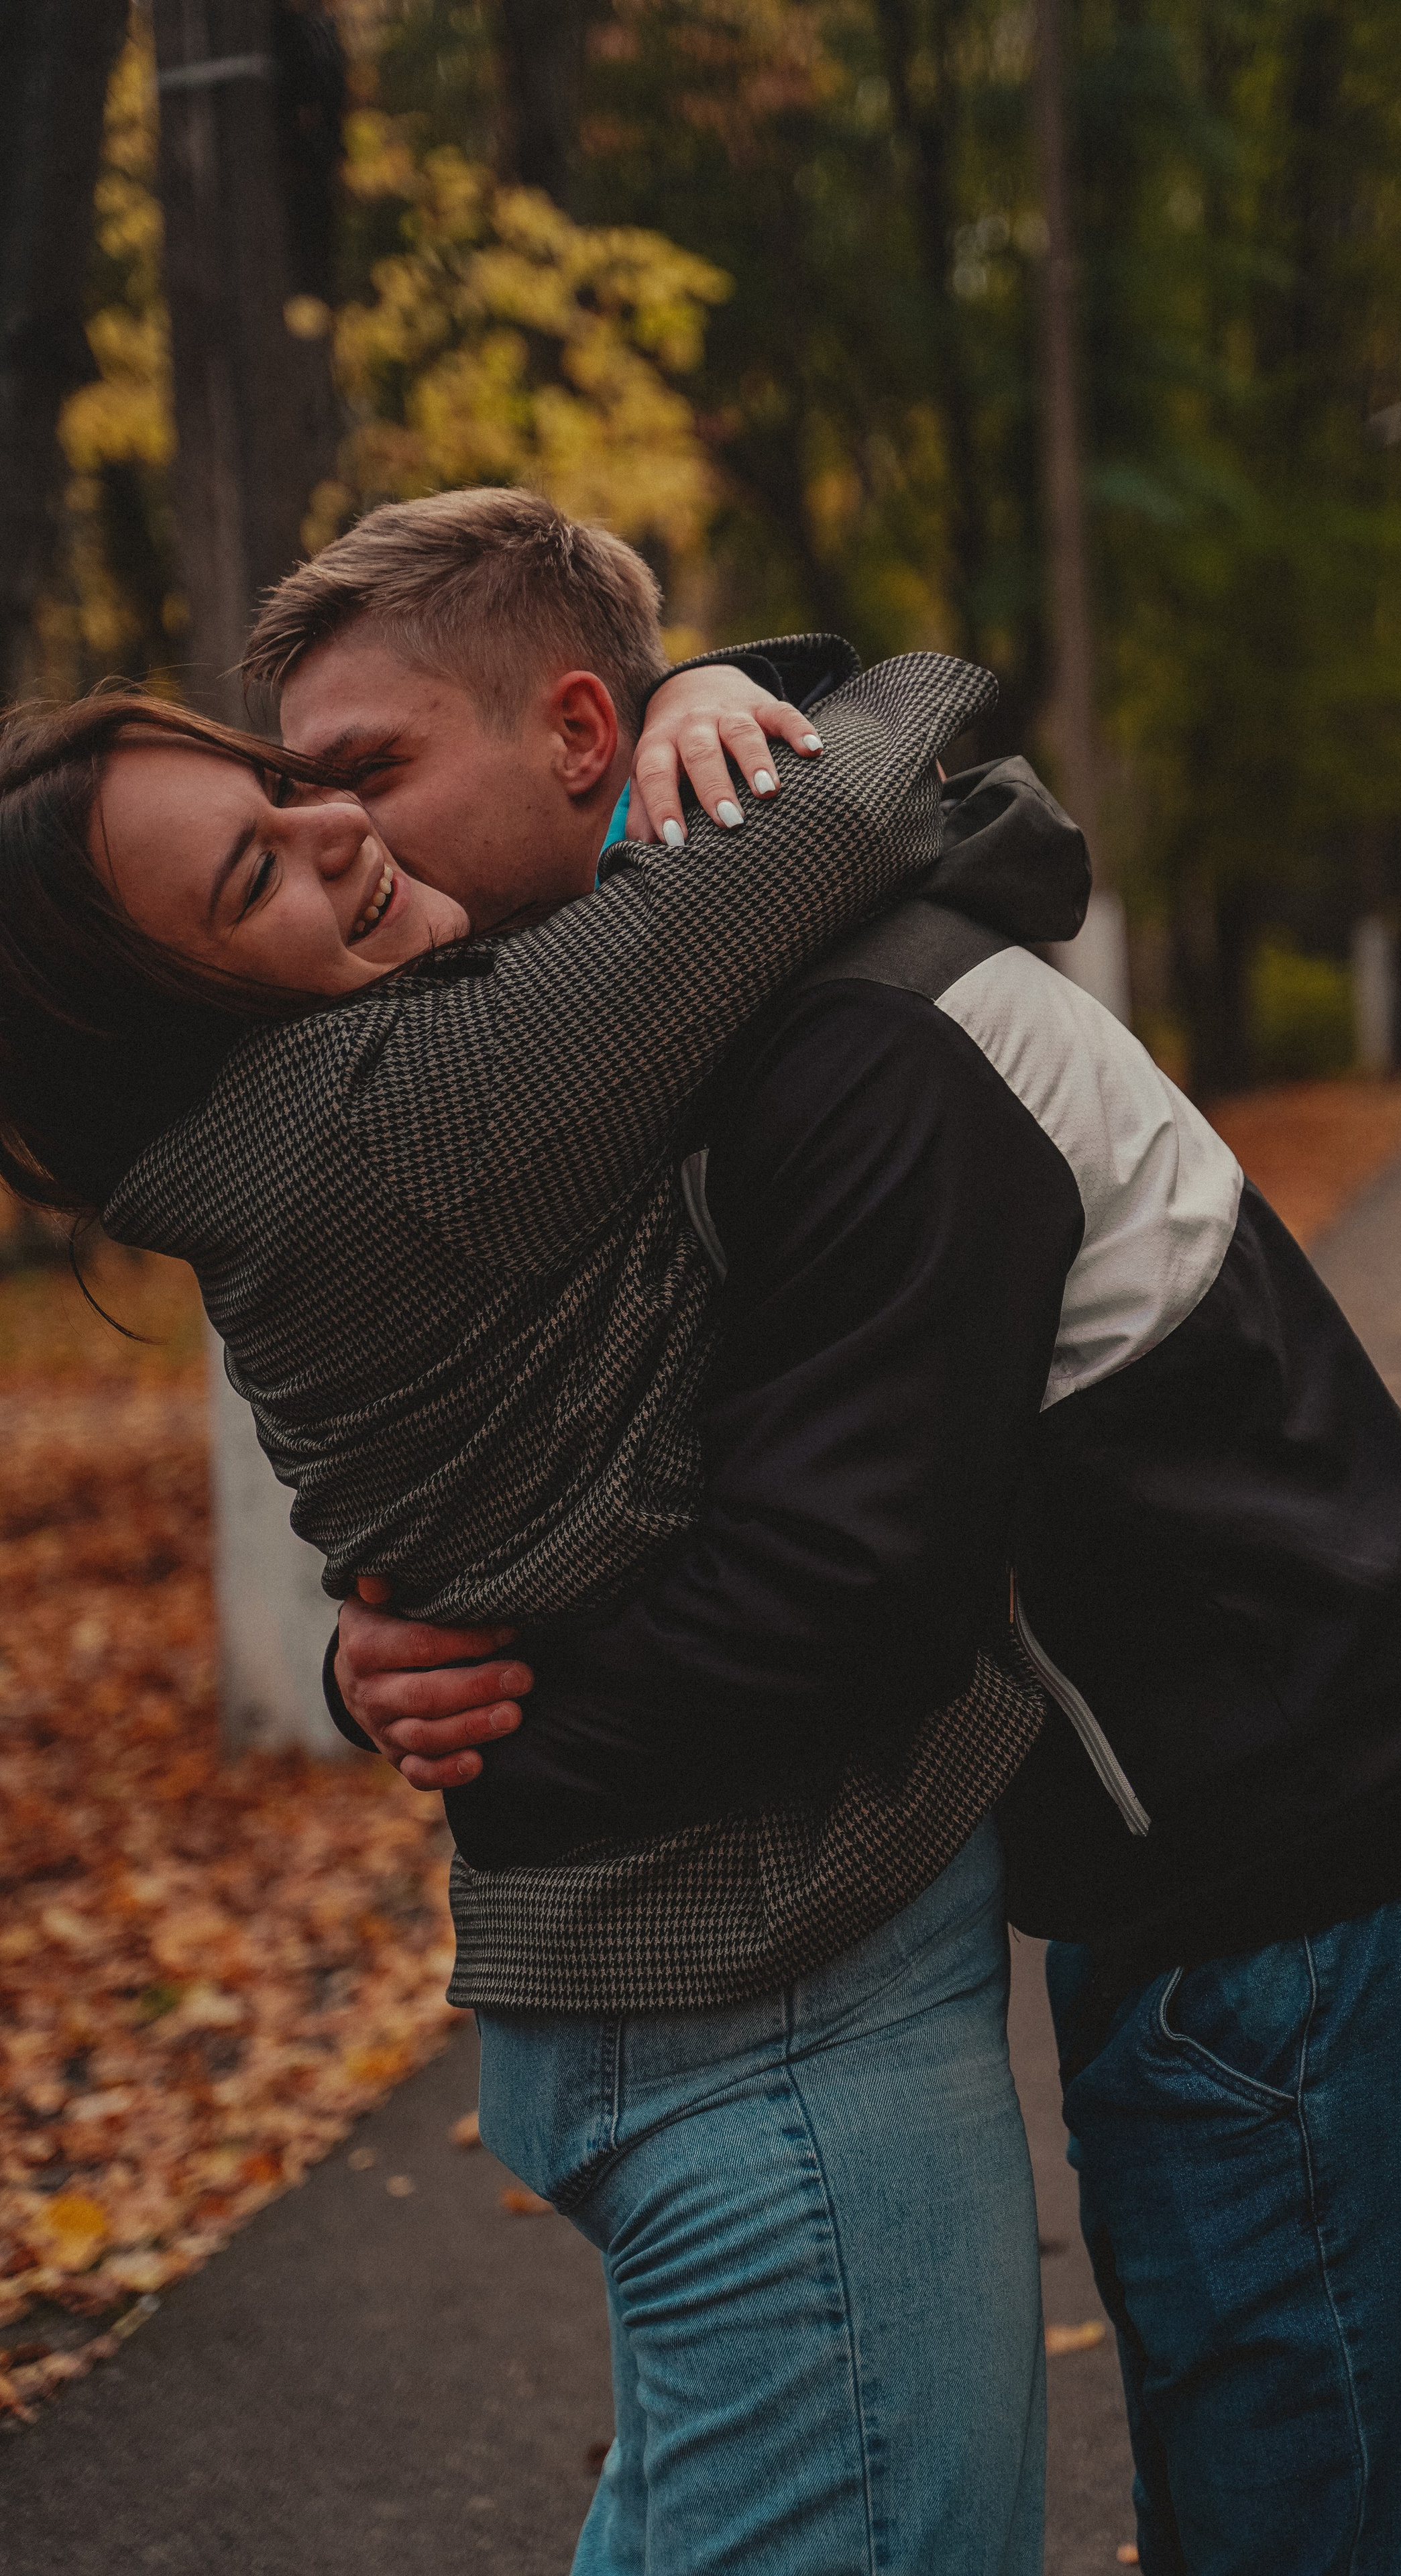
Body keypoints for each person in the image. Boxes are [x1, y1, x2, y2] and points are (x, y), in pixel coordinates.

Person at [296, 497, 1401, 2573]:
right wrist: (391, 1653)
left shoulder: (844, 1022)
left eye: (370, 772)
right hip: (1218, 1853)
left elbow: (841, 1594)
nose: (342, 839)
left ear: (588, 735)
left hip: (1316, 1862)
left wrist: (494, 1729)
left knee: (1322, 2509)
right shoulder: (700, 999)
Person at [0, 519, 1067, 2571]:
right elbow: (875, 770)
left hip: (664, 1983)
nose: (329, 837)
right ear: (154, 1012)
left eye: (295, 789)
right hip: (769, 1999)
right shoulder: (423, 1110)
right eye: (253, 871)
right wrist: (730, 694)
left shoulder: (300, 1116)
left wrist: (657, 707)